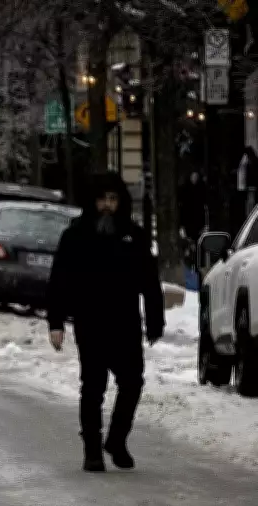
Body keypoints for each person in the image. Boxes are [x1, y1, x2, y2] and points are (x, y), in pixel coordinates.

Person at [46, 171, 165, 473]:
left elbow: (149, 282)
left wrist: (155, 319)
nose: (107, 205)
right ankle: (92, 450)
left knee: (132, 383)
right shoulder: (76, 235)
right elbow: (59, 279)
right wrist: (56, 322)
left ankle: (116, 439)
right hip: (90, 321)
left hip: (125, 322)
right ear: (93, 201)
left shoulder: (134, 237)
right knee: (93, 386)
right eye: (102, 199)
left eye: (113, 199)